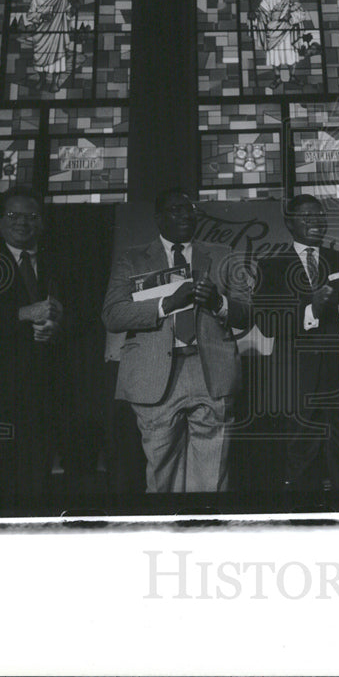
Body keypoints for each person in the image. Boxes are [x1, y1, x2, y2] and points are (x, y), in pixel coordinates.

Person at [102, 188, 250, 493]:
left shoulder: (223, 254)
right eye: (176, 209)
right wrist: (164, 305)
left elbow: (247, 314)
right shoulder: (132, 259)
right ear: (159, 218)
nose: (185, 214)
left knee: (212, 475)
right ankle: (165, 534)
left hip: (211, 371)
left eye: (190, 209)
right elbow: (113, 315)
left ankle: (207, 531)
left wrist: (218, 302)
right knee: (161, 474)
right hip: (153, 375)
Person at [250, 195, 339, 491]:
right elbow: (268, 324)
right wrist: (312, 309)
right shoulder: (271, 265)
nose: (316, 222)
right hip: (297, 377)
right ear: (289, 223)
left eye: (320, 216)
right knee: (301, 461)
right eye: (307, 217)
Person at [0, 186, 66, 507]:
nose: (23, 223)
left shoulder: (60, 262)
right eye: (14, 216)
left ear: (43, 223)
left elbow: (83, 314)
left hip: (45, 392)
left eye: (32, 217)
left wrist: (57, 325)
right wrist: (22, 313)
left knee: (36, 483)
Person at [251, 0, 309, 90]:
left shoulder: (290, 0)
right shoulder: (266, 1)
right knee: (275, 55)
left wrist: (291, 17)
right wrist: (254, 17)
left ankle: (292, 76)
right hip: (272, 32)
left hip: (287, 32)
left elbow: (301, 14)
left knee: (290, 54)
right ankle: (277, 77)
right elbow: (261, 16)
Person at [25, 0, 75, 93]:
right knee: (40, 57)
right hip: (42, 34)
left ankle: (54, 82)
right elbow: (30, 15)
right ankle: (41, 80)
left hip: (58, 34)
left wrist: (73, 11)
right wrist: (42, 16)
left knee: (58, 57)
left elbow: (68, 15)